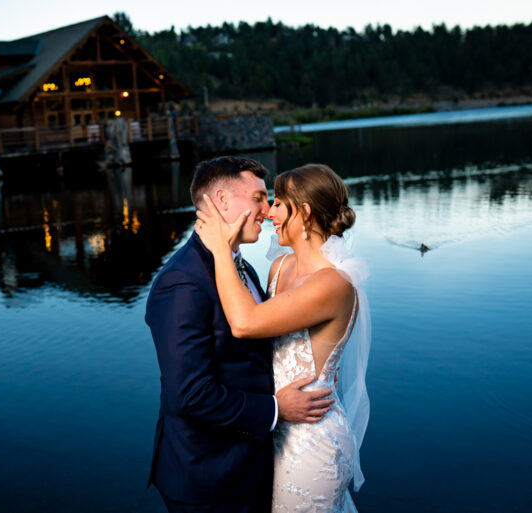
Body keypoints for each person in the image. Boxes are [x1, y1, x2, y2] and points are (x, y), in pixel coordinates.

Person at [145, 157, 335, 513]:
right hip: (209, 477)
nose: (267, 210)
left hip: (253, 464)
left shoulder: (238, 265)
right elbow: (189, 394)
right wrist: (277, 409)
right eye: (259, 198)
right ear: (222, 200)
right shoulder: (182, 282)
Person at [194, 163, 371, 513]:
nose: (268, 212)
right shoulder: (280, 267)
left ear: (303, 212)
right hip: (276, 426)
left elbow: (245, 323)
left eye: (277, 203)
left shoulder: (333, 284)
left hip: (311, 435)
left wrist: (218, 249)